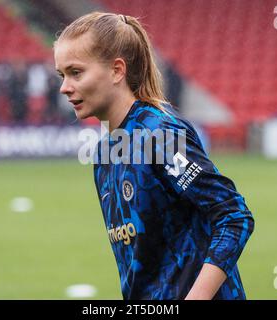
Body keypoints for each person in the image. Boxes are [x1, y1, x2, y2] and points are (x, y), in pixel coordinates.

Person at [53, 12, 254, 300]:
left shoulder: (160, 135)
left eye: (76, 72)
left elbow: (234, 216)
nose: (64, 87)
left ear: (117, 70)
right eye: (62, 75)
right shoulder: (103, 154)